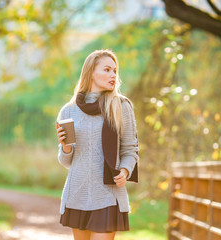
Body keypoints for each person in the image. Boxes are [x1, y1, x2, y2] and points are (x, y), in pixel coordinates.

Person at [55, 49, 139, 240]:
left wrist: (125, 171)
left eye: (115, 71)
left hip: (108, 194)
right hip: (77, 194)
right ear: (91, 72)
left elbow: (130, 149)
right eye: (107, 69)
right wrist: (66, 147)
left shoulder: (121, 106)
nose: (113, 75)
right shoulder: (69, 111)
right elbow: (66, 161)